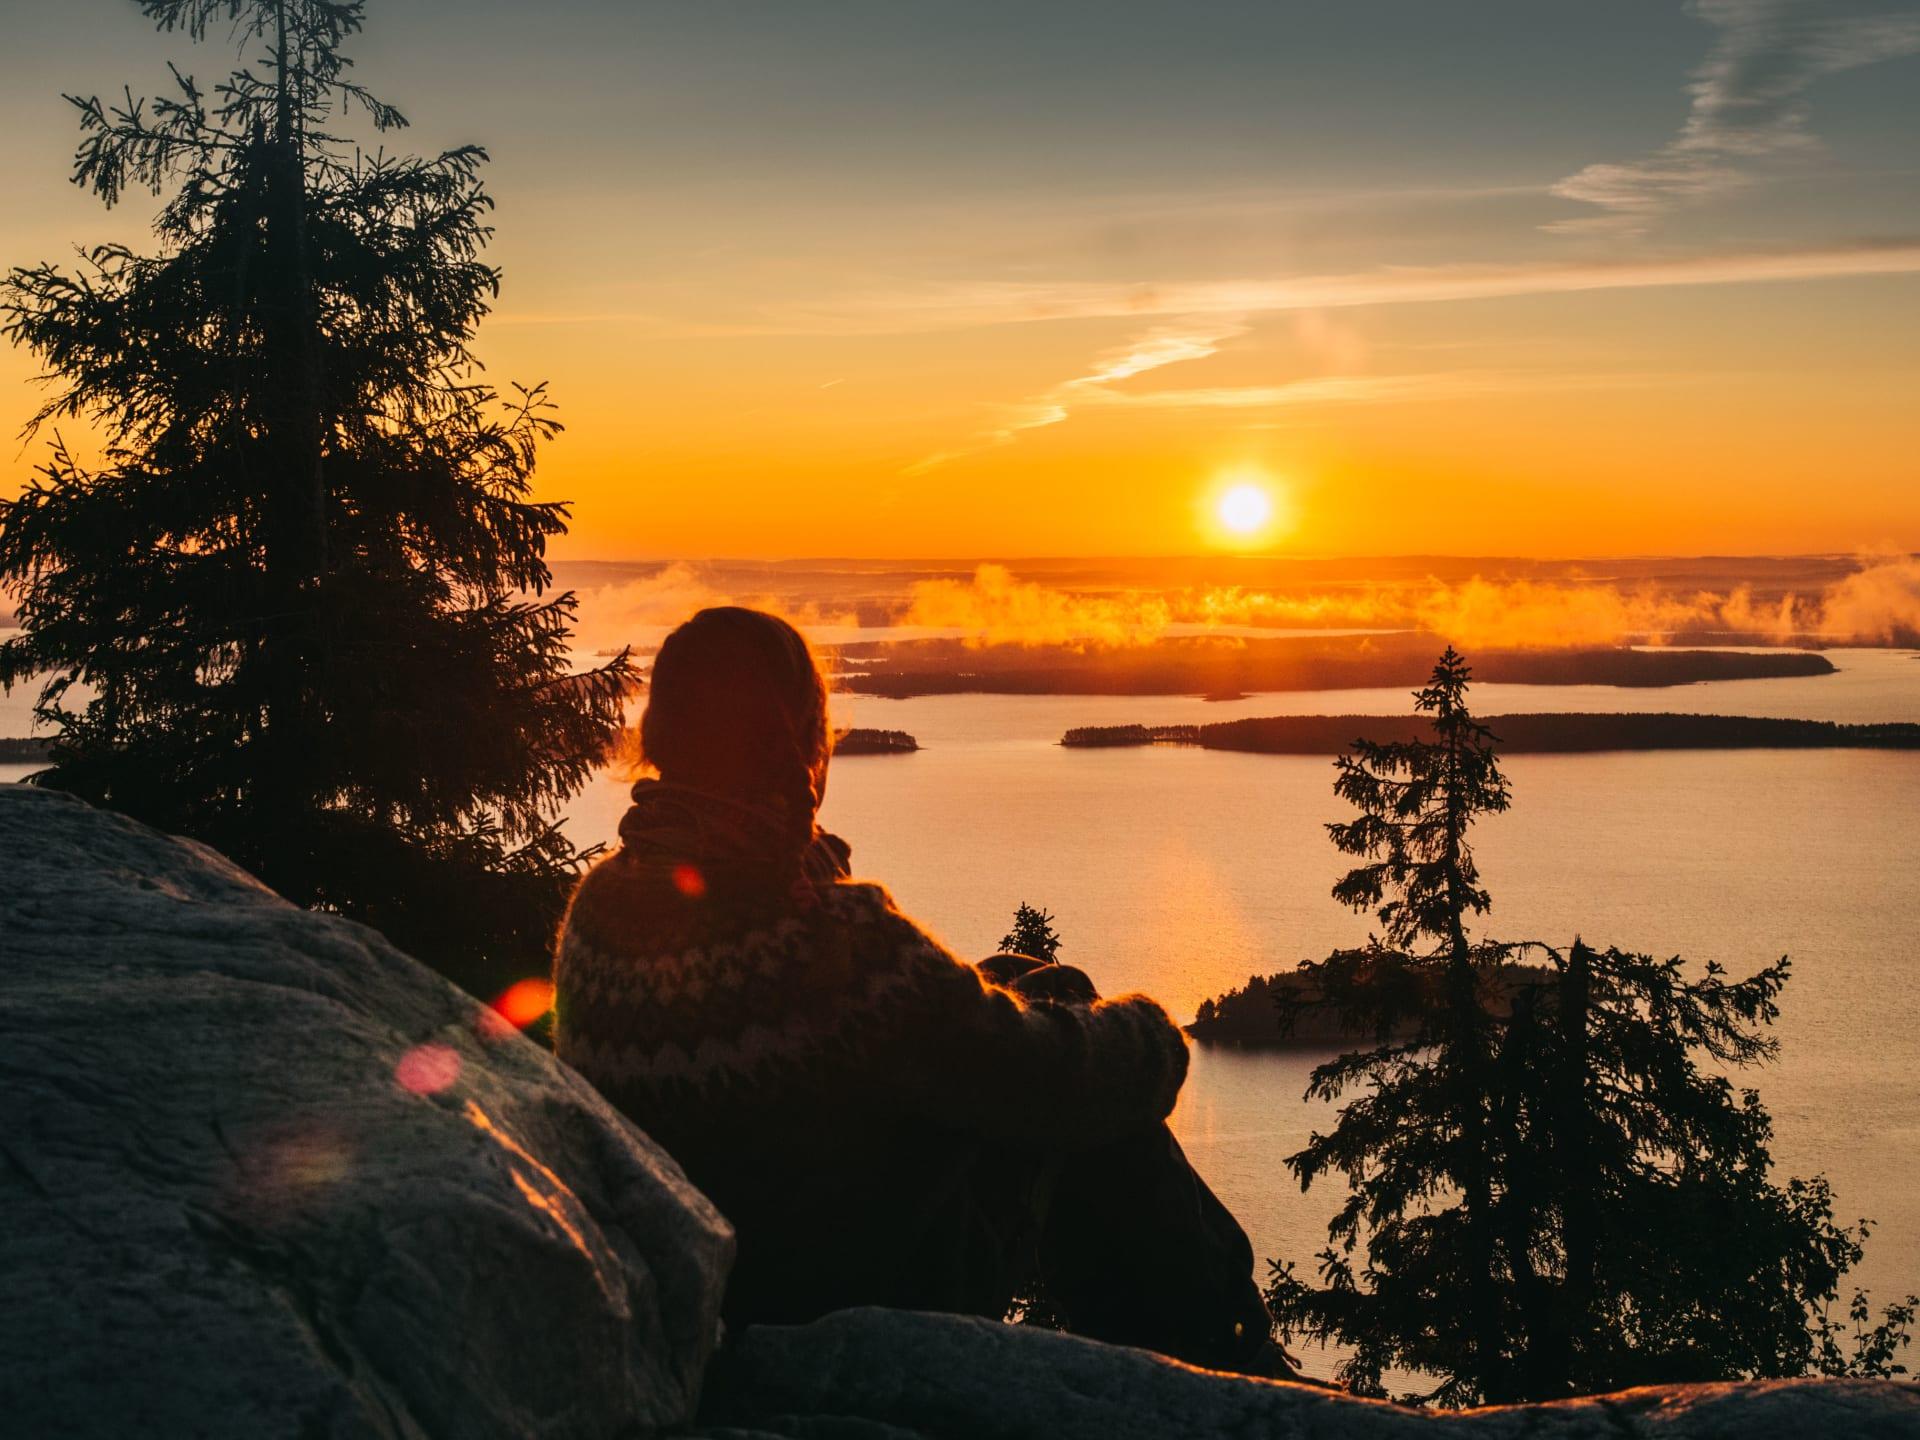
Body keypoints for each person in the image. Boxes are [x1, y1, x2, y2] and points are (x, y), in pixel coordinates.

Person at [554, 606, 1284, 1373]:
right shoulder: (827, 940)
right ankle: (1220, 1354)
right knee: (1085, 1080)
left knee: (1032, 983)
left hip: (716, 1284)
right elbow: (1053, 1083)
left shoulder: (601, 912)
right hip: (840, 1301)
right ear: (802, 738)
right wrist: (1154, 1035)